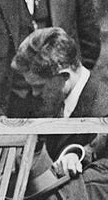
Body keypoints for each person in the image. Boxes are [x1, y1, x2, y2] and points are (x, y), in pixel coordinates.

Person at [11, 27, 108, 199]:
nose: (34, 94)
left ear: (64, 77)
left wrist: (75, 155)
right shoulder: (52, 100)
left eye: (39, 86)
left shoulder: (104, 106)